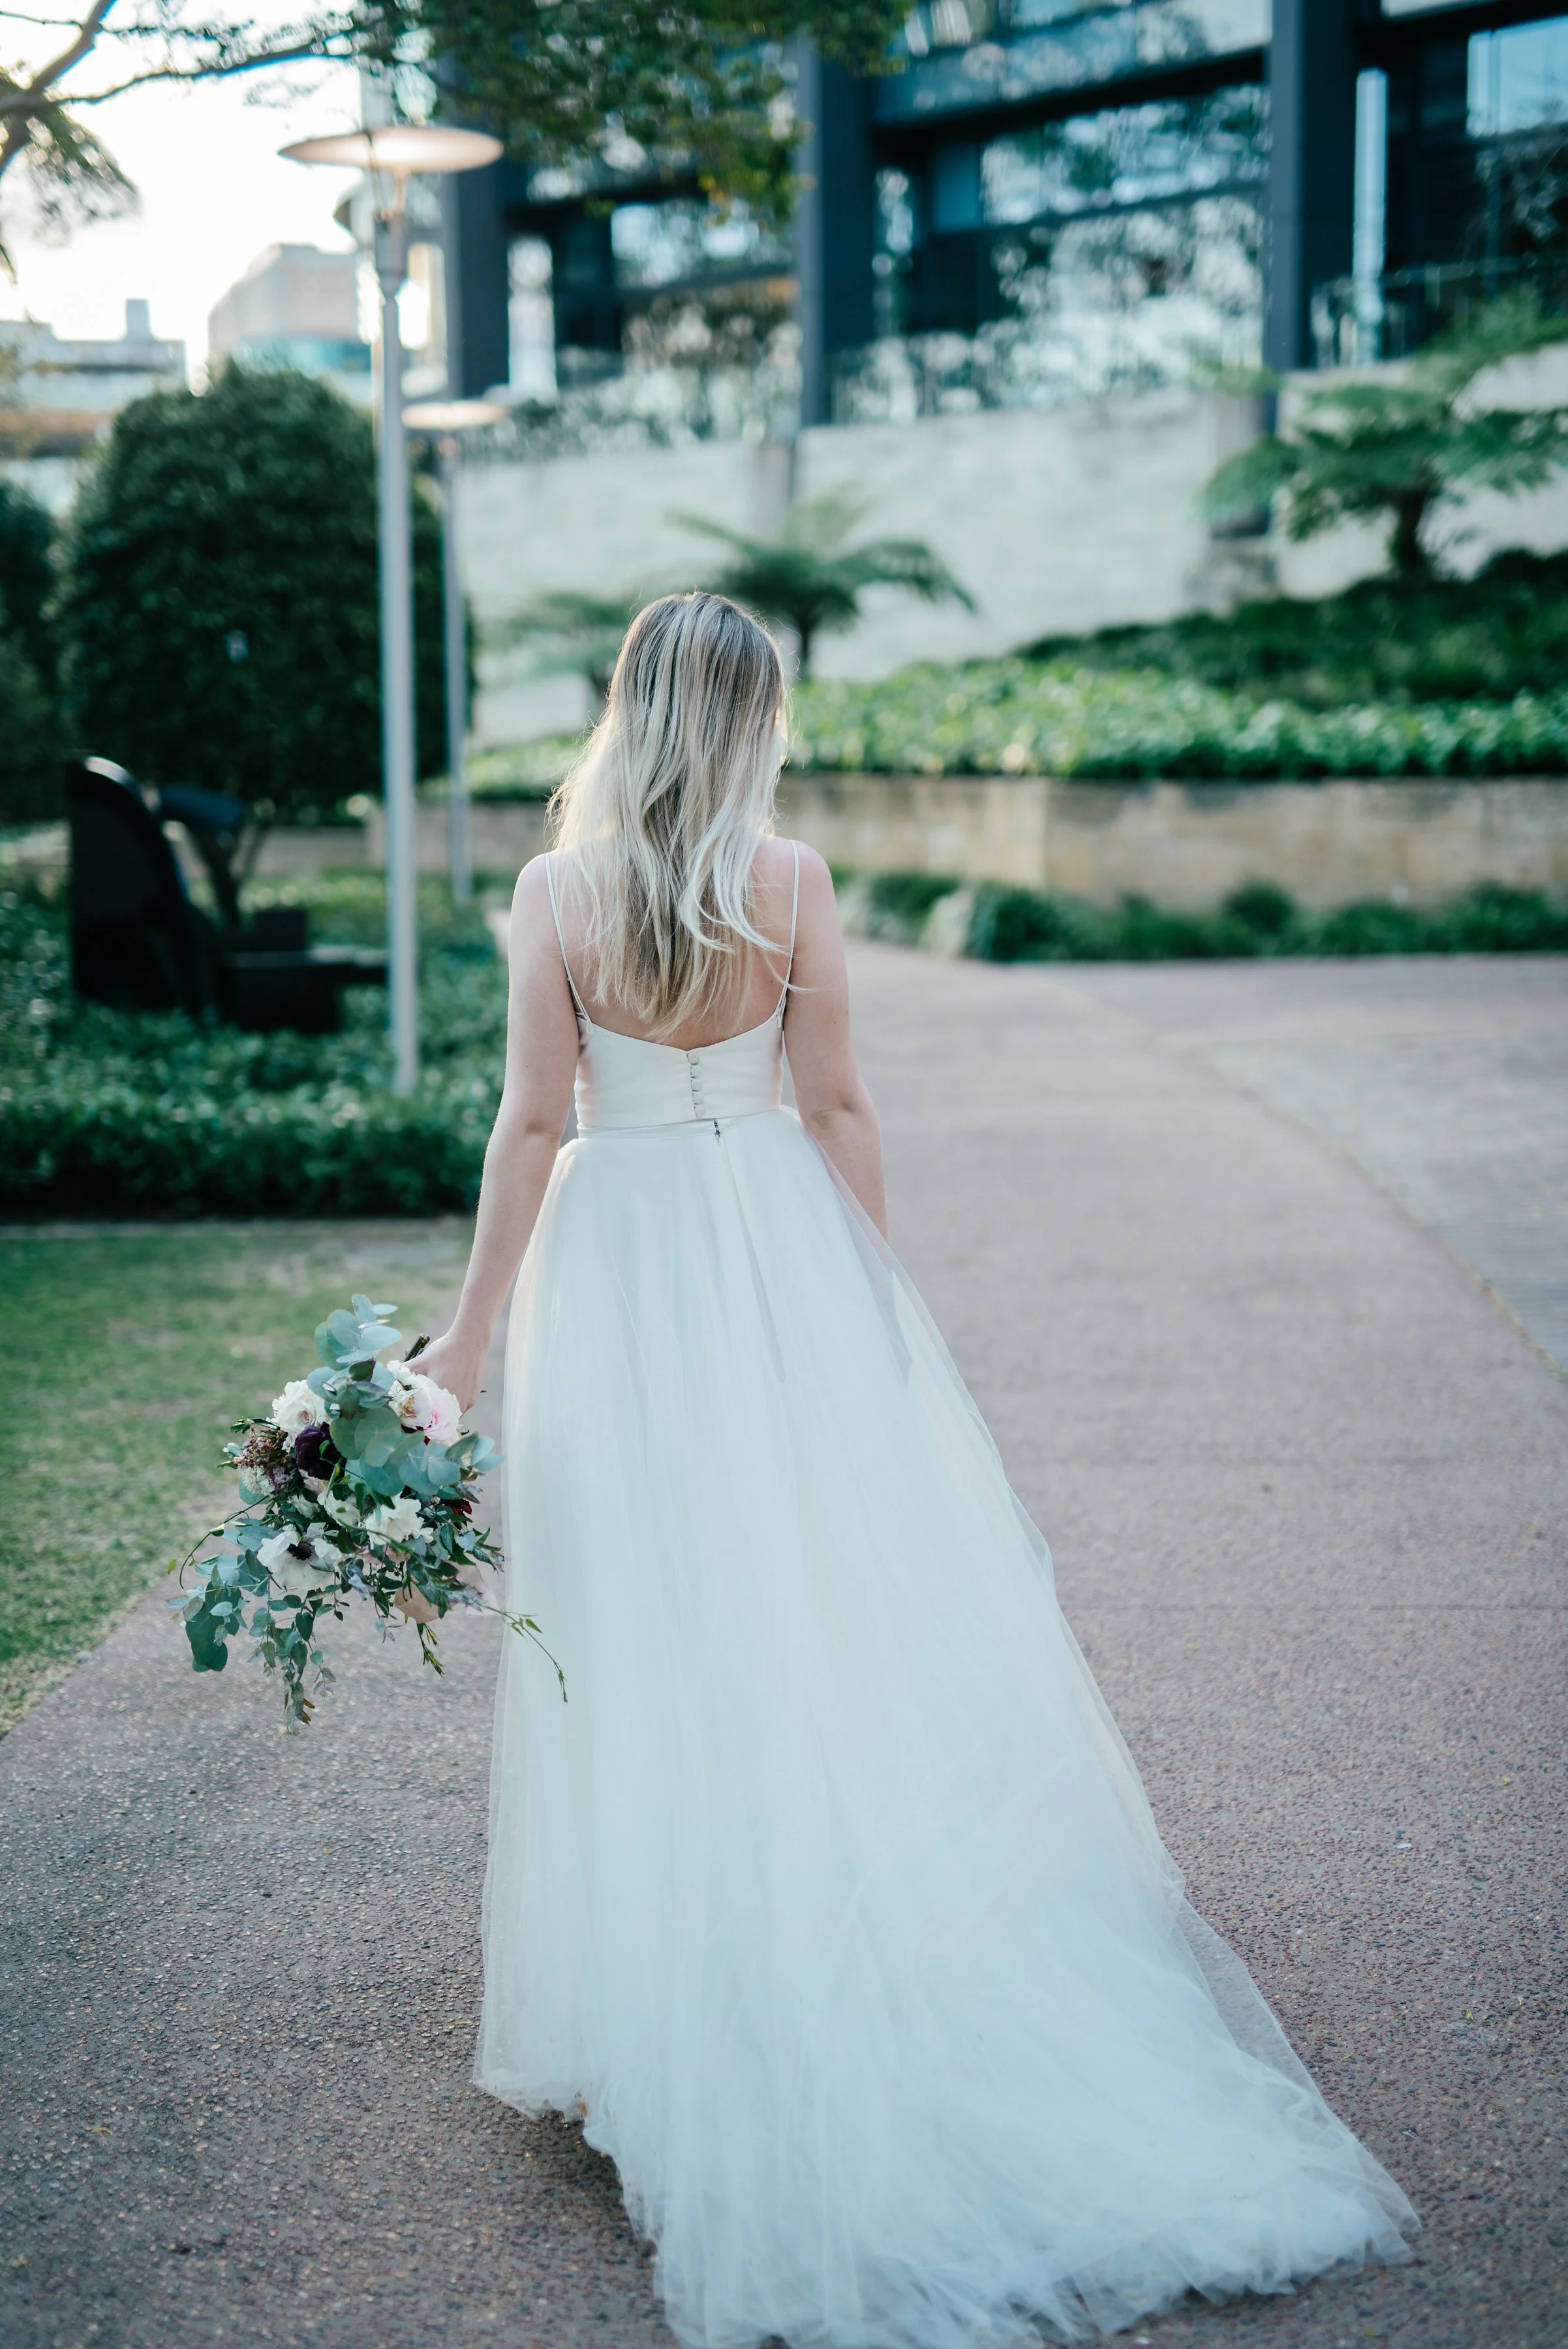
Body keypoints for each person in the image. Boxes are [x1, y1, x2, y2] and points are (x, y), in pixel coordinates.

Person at [414, 592, 1416, 2349]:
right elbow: (842, 1107)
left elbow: (535, 1126)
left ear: (630, 710)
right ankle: (811, 1946)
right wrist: (866, 1314)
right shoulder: (787, 883)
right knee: (818, 1604)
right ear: (755, 721)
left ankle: (667, 2004)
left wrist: (468, 1343)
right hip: (773, 1254)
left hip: (624, 1271)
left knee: (643, 1615)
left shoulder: (556, 898)